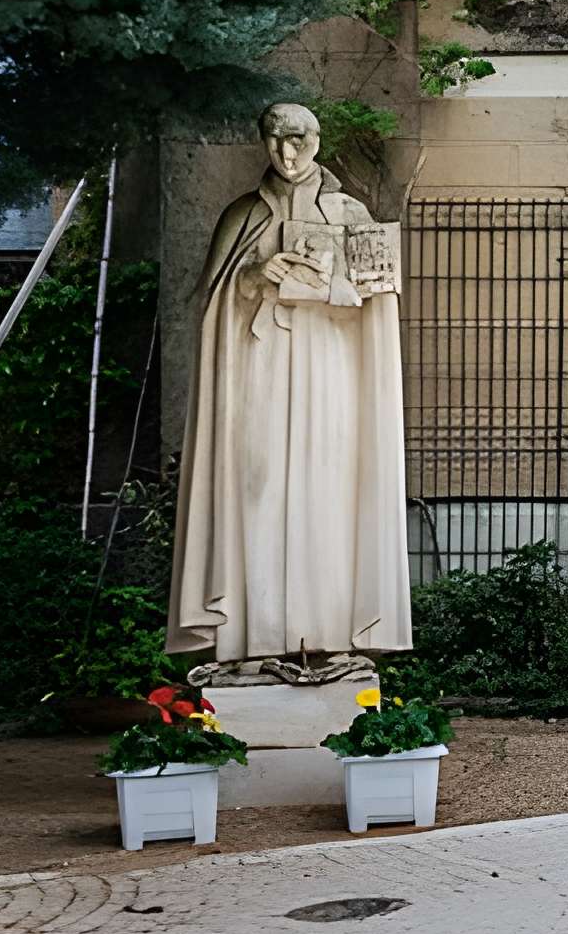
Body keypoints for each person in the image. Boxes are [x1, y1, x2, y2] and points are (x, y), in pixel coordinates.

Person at [166, 103, 413, 665]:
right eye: (274, 140)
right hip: (261, 371)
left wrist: (326, 280)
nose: (287, 152)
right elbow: (211, 307)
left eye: (297, 138)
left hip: (331, 371)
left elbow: (376, 299)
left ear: (317, 139)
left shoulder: (350, 213)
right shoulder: (242, 216)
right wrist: (254, 277)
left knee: (330, 492)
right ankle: (255, 640)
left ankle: (327, 638)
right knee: (257, 487)